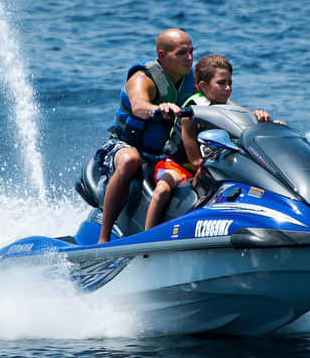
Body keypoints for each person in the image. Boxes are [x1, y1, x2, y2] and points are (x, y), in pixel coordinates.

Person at [144, 54, 272, 230]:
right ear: (203, 86)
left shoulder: (225, 104)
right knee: (162, 190)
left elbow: (245, 115)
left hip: (209, 167)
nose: (228, 88)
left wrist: (261, 117)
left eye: (230, 83)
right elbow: (195, 161)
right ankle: (147, 235)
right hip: (180, 166)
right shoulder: (192, 111)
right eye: (221, 83)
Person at [94, 28, 194, 243]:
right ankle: (104, 238)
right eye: (181, 53)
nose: (189, 58)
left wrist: (252, 115)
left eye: (191, 52)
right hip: (124, 145)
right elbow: (139, 106)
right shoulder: (142, 78)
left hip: (163, 153)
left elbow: (220, 103)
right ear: (162, 55)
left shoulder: (192, 79)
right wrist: (157, 109)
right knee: (130, 161)